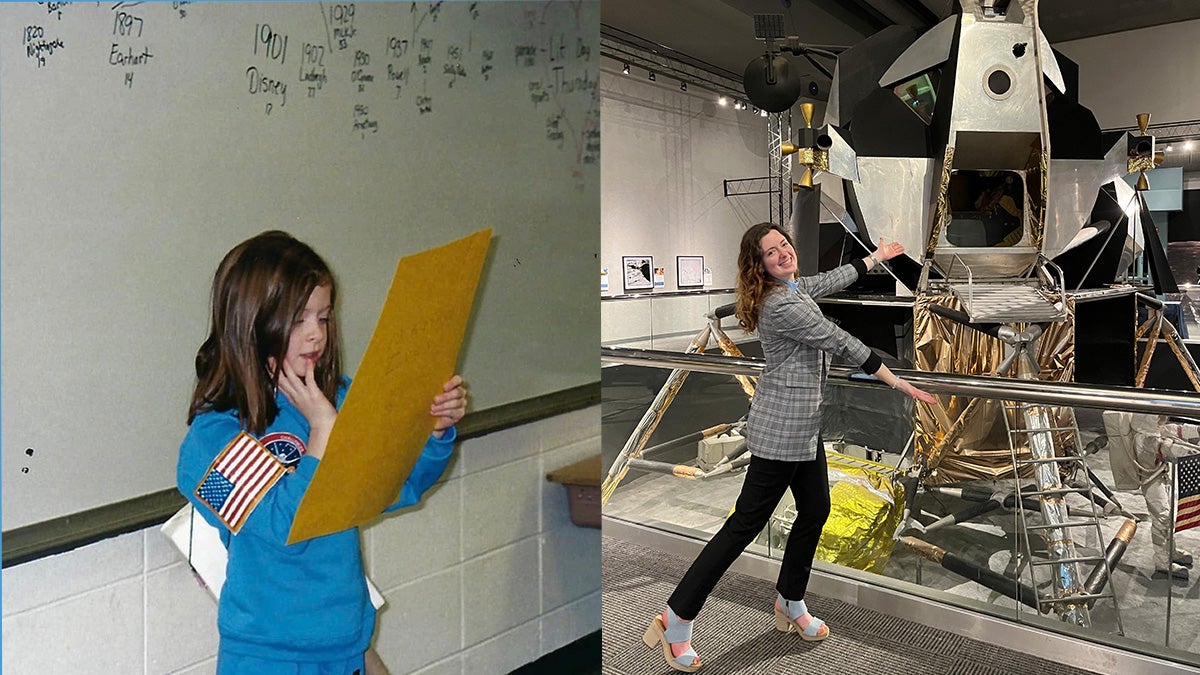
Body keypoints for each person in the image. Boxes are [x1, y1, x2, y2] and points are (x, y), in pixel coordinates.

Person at [643, 223, 936, 671]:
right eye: (770, 251)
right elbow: (840, 341)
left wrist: (875, 259)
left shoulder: (791, 288)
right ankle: (676, 617)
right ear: (758, 265)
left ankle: (789, 600)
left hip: (804, 430)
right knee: (743, 526)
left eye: (784, 245)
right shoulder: (779, 304)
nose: (782, 253)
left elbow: (825, 281)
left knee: (815, 510)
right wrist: (898, 382)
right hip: (781, 432)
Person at [176, 231, 467, 675]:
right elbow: (287, 527)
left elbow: (392, 486)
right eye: (298, 320)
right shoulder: (212, 439)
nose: (316, 335)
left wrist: (433, 432)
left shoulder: (334, 402)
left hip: (346, 641)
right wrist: (322, 432)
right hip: (268, 655)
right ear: (252, 323)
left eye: (324, 318)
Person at [1103, 411, 1196, 580]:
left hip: (1162, 477)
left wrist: (1197, 430)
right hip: (1152, 482)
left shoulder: (1153, 432)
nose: (1162, 420)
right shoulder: (1144, 439)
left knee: (1170, 517)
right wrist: (1192, 452)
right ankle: (1162, 562)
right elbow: (1168, 448)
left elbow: (1176, 430)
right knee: (1162, 519)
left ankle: (1171, 551)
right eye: (1158, 417)